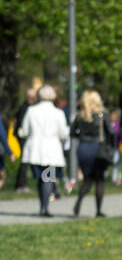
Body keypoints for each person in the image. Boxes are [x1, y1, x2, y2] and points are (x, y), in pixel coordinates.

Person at [19, 85, 69, 217]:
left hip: (35, 149)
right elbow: (63, 133)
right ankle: (45, 207)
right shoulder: (58, 113)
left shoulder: (31, 110)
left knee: (41, 179)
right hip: (52, 150)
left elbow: (24, 131)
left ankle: (42, 206)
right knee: (48, 178)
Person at [69, 90, 111, 218]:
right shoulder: (102, 114)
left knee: (87, 179)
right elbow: (110, 131)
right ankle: (98, 210)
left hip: (83, 148)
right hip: (97, 147)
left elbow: (72, 133)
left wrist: (82, 136)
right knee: (99, 180)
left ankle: (79, 200)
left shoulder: (80, 115)